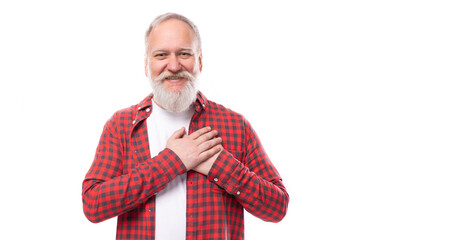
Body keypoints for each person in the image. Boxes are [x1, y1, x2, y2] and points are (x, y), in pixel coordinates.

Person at [82, 12, 289, 240]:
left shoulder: (235, 125)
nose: (173, 65)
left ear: (199, 61)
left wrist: (220, 166)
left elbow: (277, 208)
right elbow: (93, 205)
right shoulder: (121, 125)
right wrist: (173, 161)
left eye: (184, 54)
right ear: (147, 65)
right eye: (161, 55)